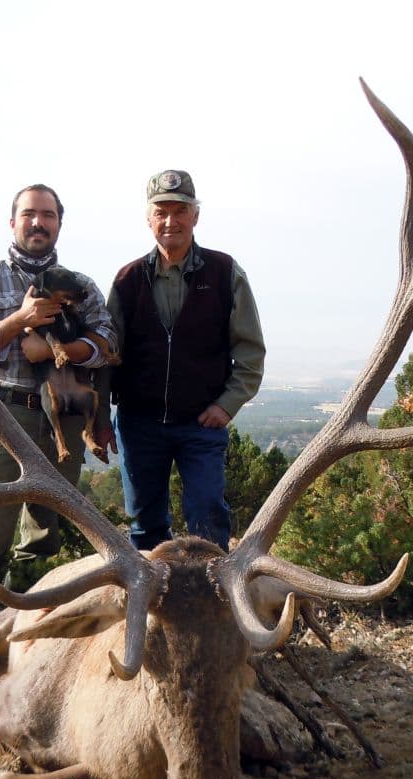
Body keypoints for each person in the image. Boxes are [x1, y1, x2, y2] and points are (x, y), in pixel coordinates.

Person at [0, 184, 116, 632]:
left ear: (59, 224)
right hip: (5, 417)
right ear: (13, 222)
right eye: (29, 214)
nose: (38, 223)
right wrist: (18, 322)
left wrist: (58, 350)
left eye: (48, 215)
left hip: (63, 419)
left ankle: (21, 636)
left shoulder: (81, 285)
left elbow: (107, 342)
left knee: (44, 537)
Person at [101, 170, 265, 552]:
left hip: (200, 425)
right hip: (139, 425)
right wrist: (99, 418)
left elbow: (250, 350)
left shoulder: (225, 273)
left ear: (196, 216)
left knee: (207, 521)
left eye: (180, 211)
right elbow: (106, 357)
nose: (170, 221)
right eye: (161, 212)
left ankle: (212, 590)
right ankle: (152, 593)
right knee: (144, 528)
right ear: (149, 219)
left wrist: (227, 405)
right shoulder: (127, 280)